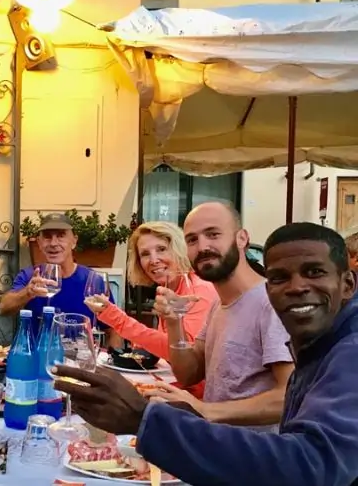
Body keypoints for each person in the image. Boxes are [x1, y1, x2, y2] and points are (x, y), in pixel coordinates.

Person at [54, 222, 358, 486]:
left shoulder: (349, 351)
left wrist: (150, 419)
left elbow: (312, 465)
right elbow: (188, 369)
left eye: (314, 272)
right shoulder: (226, 305)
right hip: (226, 453)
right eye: (278, 278)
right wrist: (172, 324)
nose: (297, 288)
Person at [145, 202, 294, 428]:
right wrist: (175, 321)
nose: (203, 246)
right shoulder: (218, 304)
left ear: (242, 238)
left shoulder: (269, 304)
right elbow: (188, 374)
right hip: (218, 448)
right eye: (192, 239)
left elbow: (288, 397)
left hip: (254, 456)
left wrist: (203, 409)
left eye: (213, 234)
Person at [86, 221, 217, 360]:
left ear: (179, 249)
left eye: (161, 249)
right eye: (145, 254)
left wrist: (119, 320)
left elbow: (184, 353)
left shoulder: (200, 289)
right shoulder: (166, 289)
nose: (154, 260)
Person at [0, 212, 115, 337]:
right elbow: (4, 308)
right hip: (37, 354)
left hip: (80, 354)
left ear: (74, 241)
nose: (53, 243)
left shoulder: (92, 280)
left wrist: (108, 355)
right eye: (47, 237)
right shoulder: (30, 276)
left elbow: (113, 329)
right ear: (39, 242)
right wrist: (28, 292)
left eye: (61, 236)